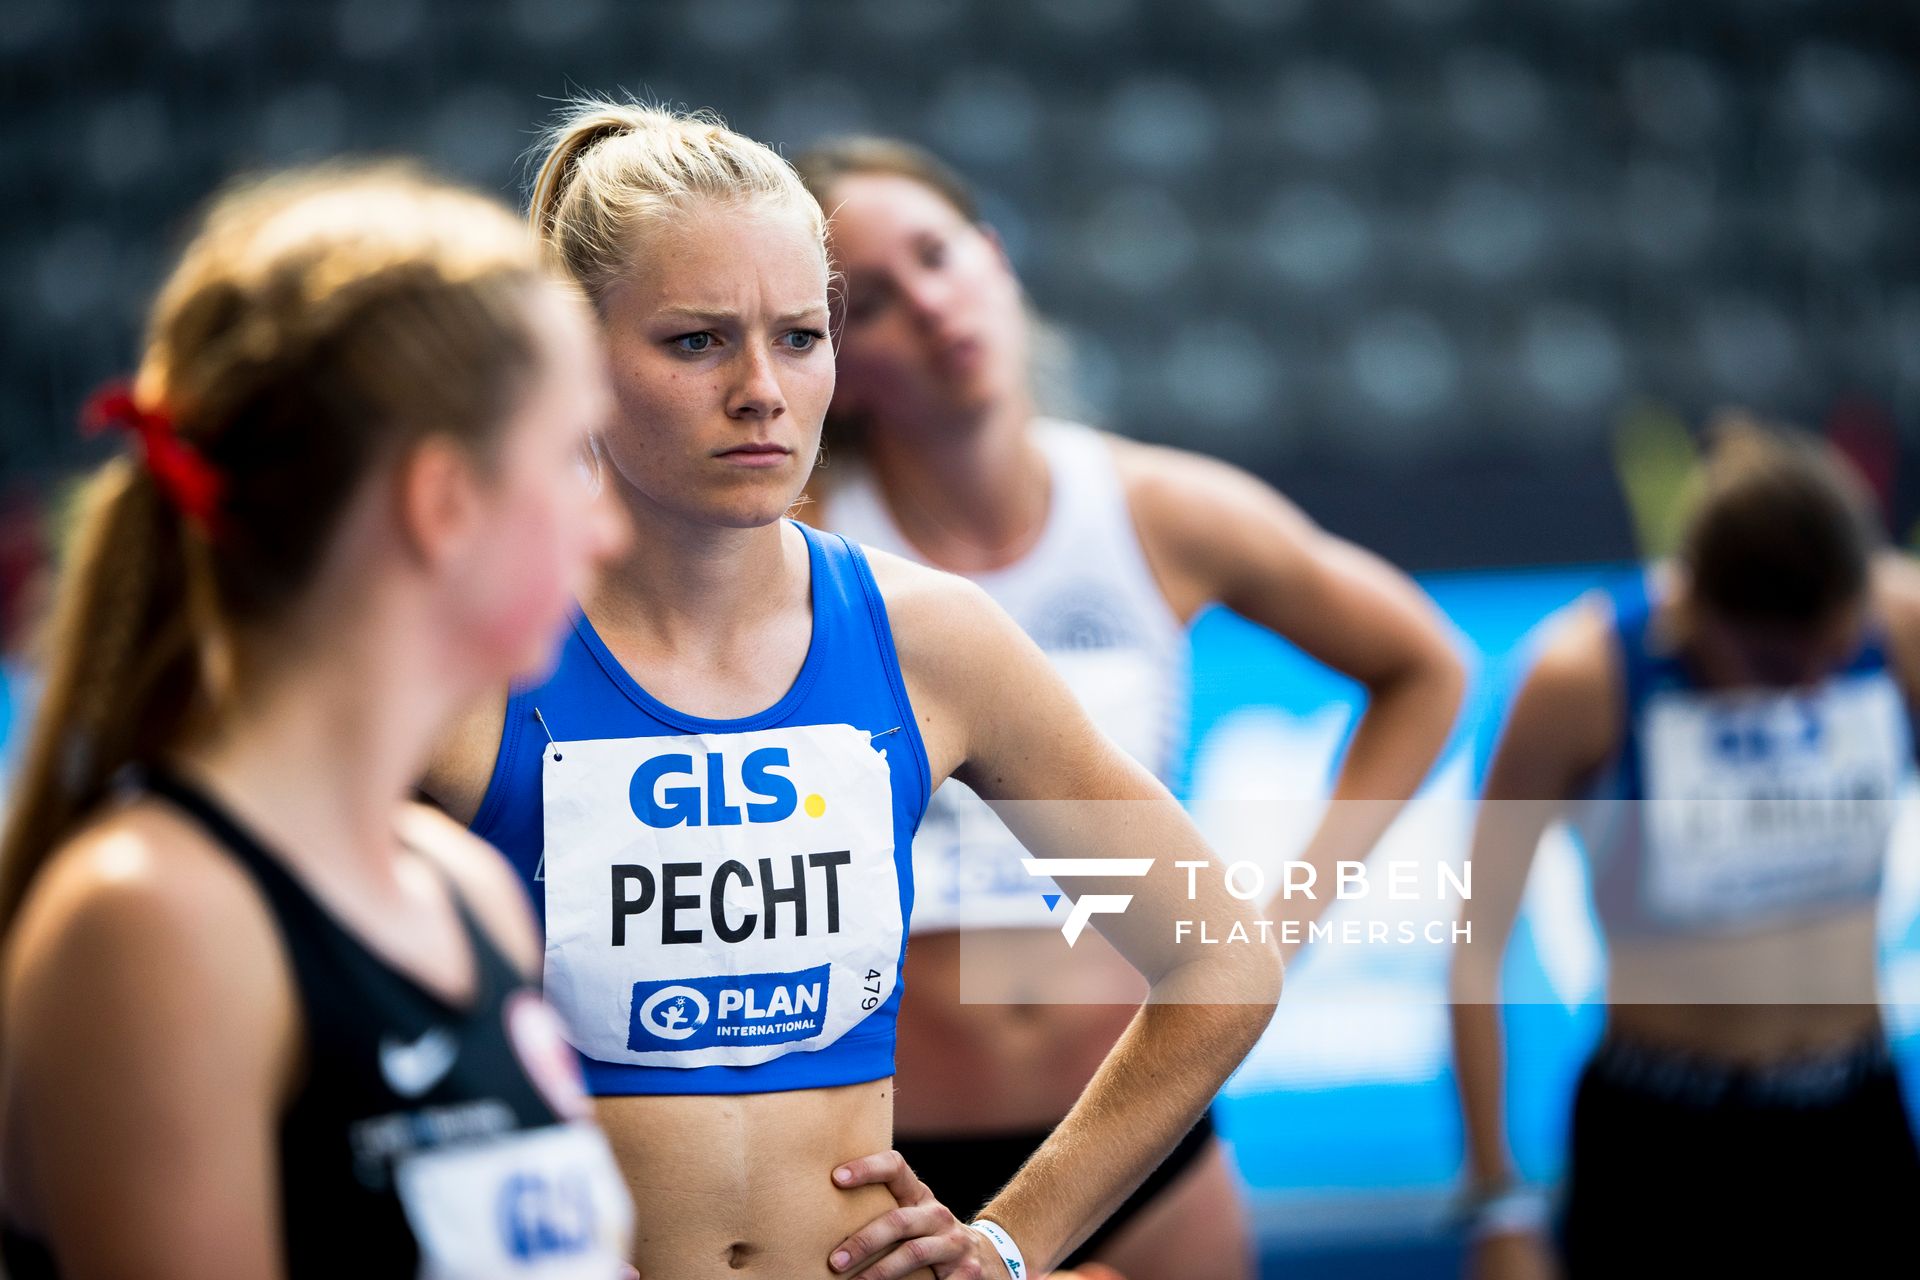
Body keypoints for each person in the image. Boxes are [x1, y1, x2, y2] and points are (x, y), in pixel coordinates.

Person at [422, 100, 1282, 1280]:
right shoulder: (462, 654)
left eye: (801, 335)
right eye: (695, 341)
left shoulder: (934, 638)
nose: (762, 390)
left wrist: (1011, 1238)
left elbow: (1220, 959)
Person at [793, 136, 1464, 1279]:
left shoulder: (1157, 510)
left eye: (940, 256)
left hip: (1145, 1149)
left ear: (997, 259)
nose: (933, 306)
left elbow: (1426, 666)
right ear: (832, 363)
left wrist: (1277, 921)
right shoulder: (796, 547)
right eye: (876, 303)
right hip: (889, 1169)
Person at [0, 165, 638, 1278]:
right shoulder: (155, 921)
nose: (607, 530)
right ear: (443, 502)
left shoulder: (466, 889)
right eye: (570, 461)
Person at [1450, 419, 1920, 1277]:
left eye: (1835, 651)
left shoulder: (1902, 628)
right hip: (1662, 1144)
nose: (1812, 684)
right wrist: (1497, 1206)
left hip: (1853, 1123)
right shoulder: (1582, 682)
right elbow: (1477, 944)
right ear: (1694, 609)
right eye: (1778, 666)